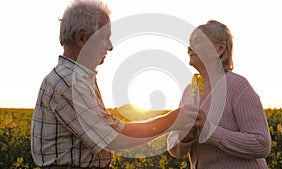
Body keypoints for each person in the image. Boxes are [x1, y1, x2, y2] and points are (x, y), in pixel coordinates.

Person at [31, 0, 200, 168]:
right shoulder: (69, 83)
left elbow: (115, 128)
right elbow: (113, 138)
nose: (110, 47)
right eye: (105, 37)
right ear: (82, 38)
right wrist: (171, 121)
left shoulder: (75, 79)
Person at [167, 20, 271, 169]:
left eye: (198, 41)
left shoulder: (237, 86)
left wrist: (209, 130)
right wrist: (186, 137)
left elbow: (261, 144)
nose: (189, 47)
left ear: (220, 48)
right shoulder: (189, 92)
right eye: (190, 42)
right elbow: (175, 149)